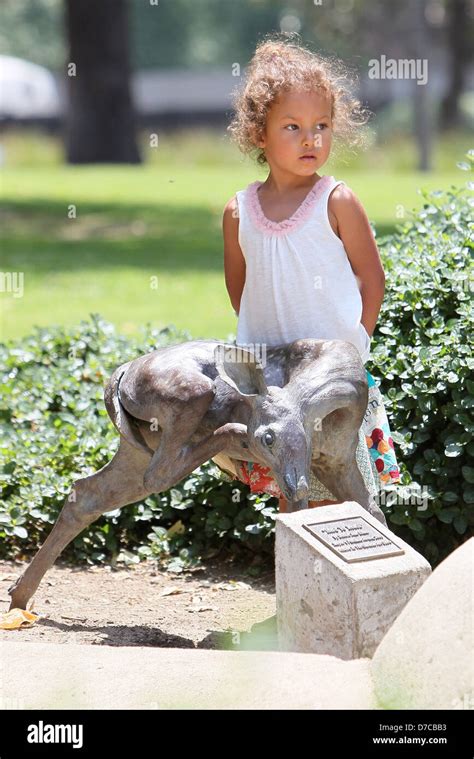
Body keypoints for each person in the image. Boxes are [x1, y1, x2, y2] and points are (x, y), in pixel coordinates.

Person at [222, 35, 401, 514]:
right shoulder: (239, 212)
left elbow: (371, 278)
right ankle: (302, 585)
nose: (311, 139)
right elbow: (241, 288)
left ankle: (362, 574)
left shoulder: (336, 200)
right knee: (294, 487)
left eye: (322, 125)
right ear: (260, 134)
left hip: (330, 374)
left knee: (343, 489)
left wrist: (355, 342)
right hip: (277, 382)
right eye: (294, 127)